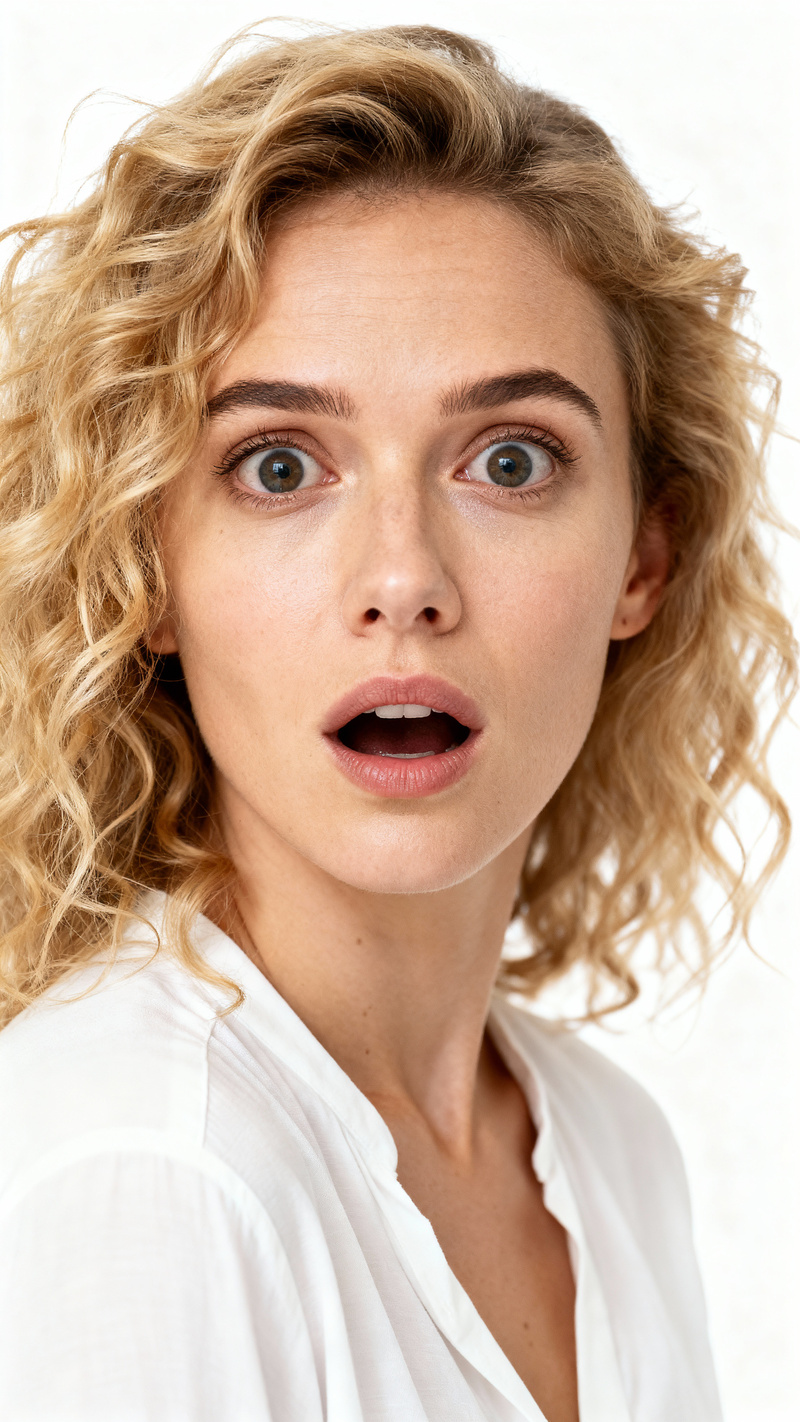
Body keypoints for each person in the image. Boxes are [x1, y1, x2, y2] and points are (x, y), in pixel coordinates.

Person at [0, 23, 794, 1422]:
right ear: (148, 570)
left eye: (508, 460)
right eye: (281, 464)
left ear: (641, 558)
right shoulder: (145, 1170)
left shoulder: (614, 1152)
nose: (404, 582)